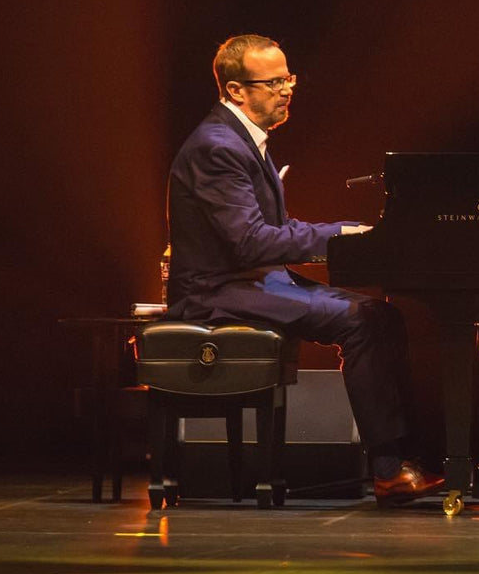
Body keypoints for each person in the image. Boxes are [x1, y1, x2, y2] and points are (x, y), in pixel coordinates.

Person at [164, 33, 442, 505]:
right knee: (363, 321)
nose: (287, 89)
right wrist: (338, 238)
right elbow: (250, 242)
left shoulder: (243, 140)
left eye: (288, 77)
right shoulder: (218, 147)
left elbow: (274, 229)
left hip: (251, 282)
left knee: (383, 315)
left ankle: (408, 457)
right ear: (237, 90)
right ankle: (389, 469)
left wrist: (348, 230)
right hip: (216, 291)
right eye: (274, 82)